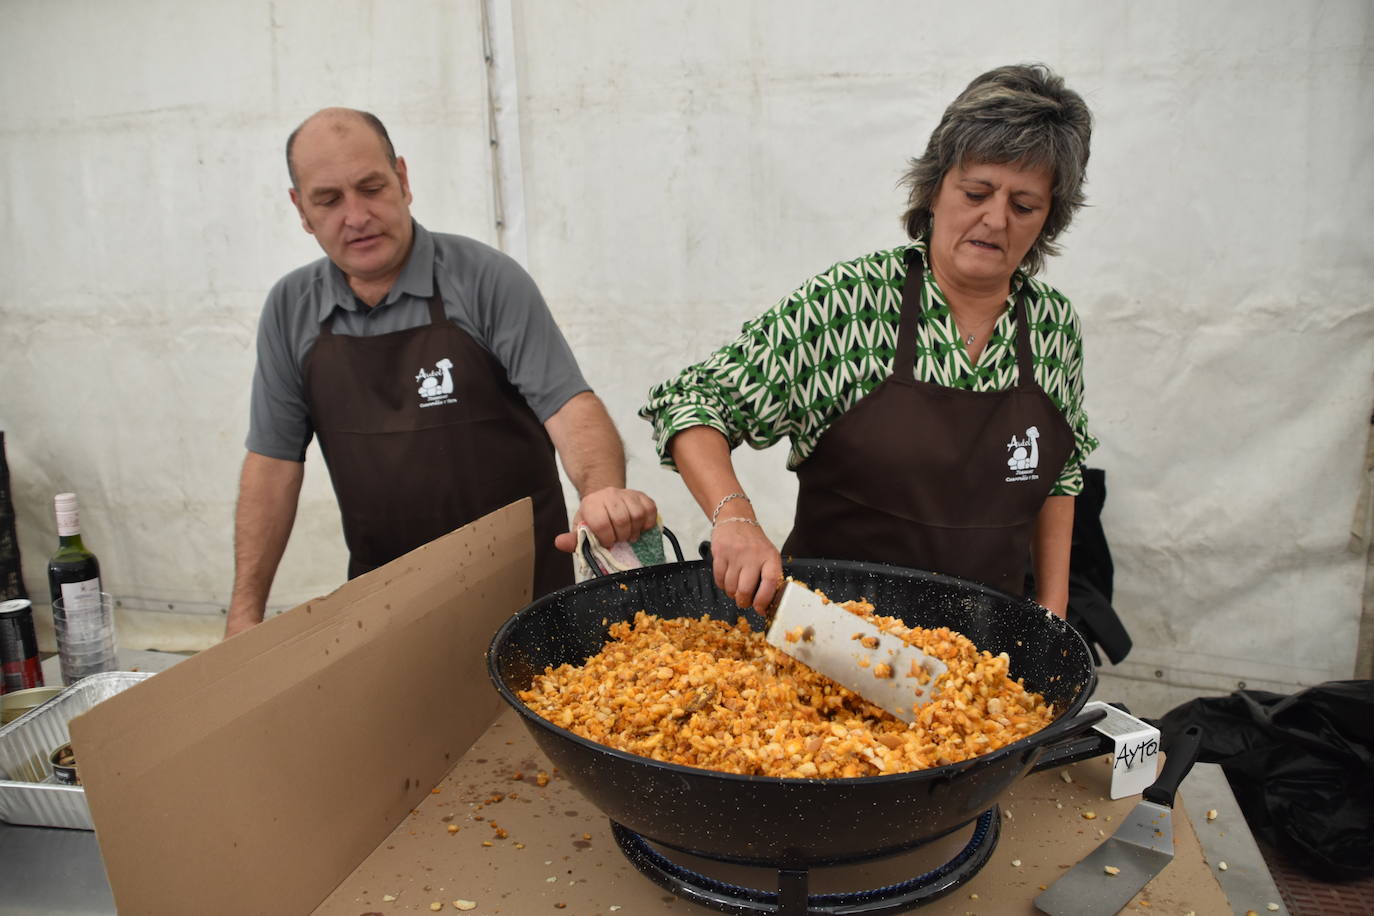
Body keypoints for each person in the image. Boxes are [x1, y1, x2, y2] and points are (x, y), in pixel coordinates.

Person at [640, 63, 1096, 618]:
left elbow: (1060, 476)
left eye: (1024, 206)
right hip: (829, 646)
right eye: (976, 192)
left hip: (980, 659)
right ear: (934, 190)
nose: (995, 220)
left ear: (1049, 221)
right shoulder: (850, 304)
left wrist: (1052, 607)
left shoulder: (1051, 326)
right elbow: (695, 402)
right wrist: (734, 515)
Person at [225, 108, 656, 638]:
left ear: (403, 180)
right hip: (383, 610)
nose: (356, 216)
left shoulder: (485, 280)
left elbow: (568, 405)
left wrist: (603, 490)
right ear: (301, 210)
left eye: (371, 187)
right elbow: (272, 464)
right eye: (329, 199)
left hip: (525, 600)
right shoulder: (290, 308)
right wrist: (245, 613)